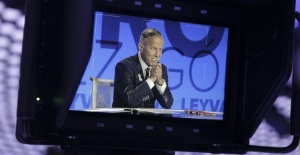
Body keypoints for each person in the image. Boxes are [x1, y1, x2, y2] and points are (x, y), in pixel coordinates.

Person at [112, 28, 173, 109]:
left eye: (160, 49)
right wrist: (151, 80)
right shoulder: (124, 66)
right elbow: (130, 101)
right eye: (153, 49)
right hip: (125, 119)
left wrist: (159, 82)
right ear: (141, 46)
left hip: (148, 120)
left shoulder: (161, 69)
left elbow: (167, 104)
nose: (158, 54)